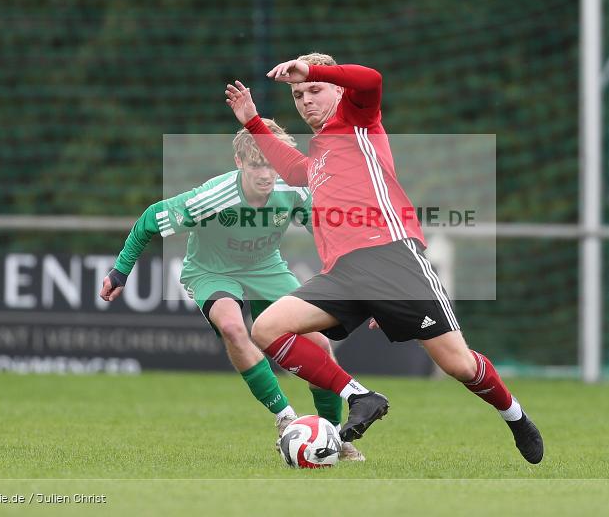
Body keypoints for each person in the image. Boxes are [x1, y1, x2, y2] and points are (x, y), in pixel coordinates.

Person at [224, 54, 544, 464]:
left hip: (392, 259)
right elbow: (292, 170)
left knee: (458, 365)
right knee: (267, 328)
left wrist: (314, 69)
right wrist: (252, 121)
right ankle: (360, 396)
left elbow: (371, 79)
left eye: (315, 90)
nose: (305, 100)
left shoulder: (357, 120)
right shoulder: (320, 152)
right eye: (299, 94)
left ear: (338, 90)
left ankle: (514, 416)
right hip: (344, 273)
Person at [99, 119, 364, 461]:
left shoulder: (294, 189)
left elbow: (329, 235)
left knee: (321, 344)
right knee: (233, 327)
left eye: (272, 163)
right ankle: (285, 418)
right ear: (239, 163)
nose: (267, 174)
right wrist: (120, 271)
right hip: (212, 271)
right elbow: (150, 219)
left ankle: (331, 436)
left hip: (266, 267)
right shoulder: (214, 197)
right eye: (257, 165)